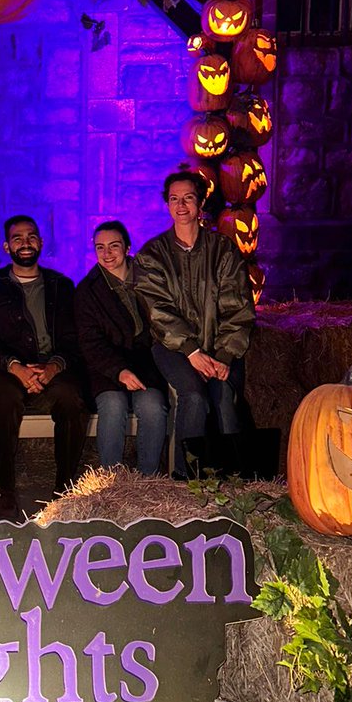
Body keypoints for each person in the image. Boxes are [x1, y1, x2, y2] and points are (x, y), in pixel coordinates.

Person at [134, 171, 255, 478]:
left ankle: (234, 480)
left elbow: (238, 306)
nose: (181, 205)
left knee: (224, 395)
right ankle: (185, 479)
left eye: (188, 198)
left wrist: (225, 355)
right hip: (173, 347)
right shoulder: (152, 255)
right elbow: (158, 311)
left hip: (220, 344)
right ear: (167, 204)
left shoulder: (223, 250)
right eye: (174, 199)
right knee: (194, 396)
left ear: (200, 203)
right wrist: (191, 351)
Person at [0, 215, 88, 513]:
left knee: (72, 399)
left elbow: (73, 337)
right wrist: (15, 367)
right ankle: (5, 487)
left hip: (52, 366)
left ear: (41, 242)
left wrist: (53, 367)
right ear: (7, 246)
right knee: (4, 400)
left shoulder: (62, 286)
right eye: (18, 238)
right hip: (8, 368)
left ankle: (65, 487)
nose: (25, 243)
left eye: (31, 236)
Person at [75, 220, 168, 476]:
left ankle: (147, 478)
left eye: (114, 246)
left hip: (145, 363)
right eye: (100, 247)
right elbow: (90, 342)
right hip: (106, 366)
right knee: (113, 406)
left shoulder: (148, 278)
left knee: (153, 406)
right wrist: (119, 371)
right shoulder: (87, 291)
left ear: (127, 247)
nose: (107, 253)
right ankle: (111, 479)